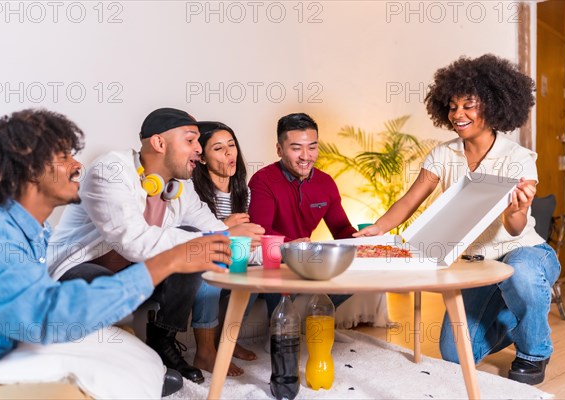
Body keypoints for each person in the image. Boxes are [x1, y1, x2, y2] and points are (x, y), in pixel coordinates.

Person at [0, 109, 231, 398]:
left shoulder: (32, 231)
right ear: (29, 169)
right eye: (64, 157)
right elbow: (45, 318)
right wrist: (168, 261)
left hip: (20, 334)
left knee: (135, 356)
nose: (77, 165)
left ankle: (149, 360)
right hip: (0, 350)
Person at [355, 54, 561, 385]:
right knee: (453, 355)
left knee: (521, 273)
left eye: (468, 105)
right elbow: (410, 199)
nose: (457, 114)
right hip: (478, 266)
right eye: (452, 106)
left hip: (524, 253)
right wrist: (377, 229)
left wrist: (516, 210)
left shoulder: (518, 159)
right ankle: (520, 316)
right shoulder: (443, 155)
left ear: (494, 106)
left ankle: (534, 350)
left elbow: (515, 228)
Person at [47, 108, 264, 384]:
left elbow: (218, 233)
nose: (199, 149)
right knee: (190, 243)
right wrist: (213, 240)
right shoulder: (111, 170)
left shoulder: (180, 189)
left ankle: (163, 339)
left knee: (190, 237)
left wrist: (284, 255)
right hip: (78, 271)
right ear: (159, 143)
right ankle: (110, 360)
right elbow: (133, 242)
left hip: (136, 275)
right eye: (190, 140)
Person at [248, 113, 355, 319]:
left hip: (306, 257)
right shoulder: (263, 180)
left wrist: (362, 242)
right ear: (279, 149)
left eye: (312, 147)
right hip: (273, 258)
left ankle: (313, 319)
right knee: (276, 263)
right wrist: (293, 246)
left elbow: (341, 229)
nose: (306, 156)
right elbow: (262, 232)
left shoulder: (325, 183)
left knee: (354, 267)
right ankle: (279, 330)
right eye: (296, 148)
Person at [191, 122, 259, 376]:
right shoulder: (193, 193)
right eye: (219, 148)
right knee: (214, 272)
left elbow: (247, 239)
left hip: (233, 257)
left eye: (232, 146)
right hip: (202, 259)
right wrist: (224, 226)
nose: (230, 153)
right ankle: (205, 352)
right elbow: (192, 239)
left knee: (254, 273)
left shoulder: (244, 193)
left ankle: (227, 341)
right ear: (203, 158)